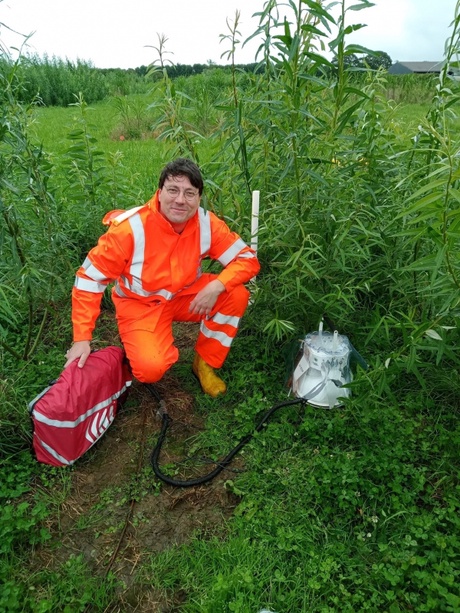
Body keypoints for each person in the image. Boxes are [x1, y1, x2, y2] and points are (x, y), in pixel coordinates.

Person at [64, 158, 260, 397]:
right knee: (150, 370)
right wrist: (82, 338)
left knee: (235, 294)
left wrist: (218, 285)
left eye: (190, 193)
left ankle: (204, 363)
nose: (180, 200)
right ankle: (141, 343)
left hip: (185, 295)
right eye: (173, 190)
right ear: (159, 192)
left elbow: (247, 259)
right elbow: (89, 280)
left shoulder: (206, 223)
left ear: (199, 198)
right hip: (140, 305)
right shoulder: (130, 229)